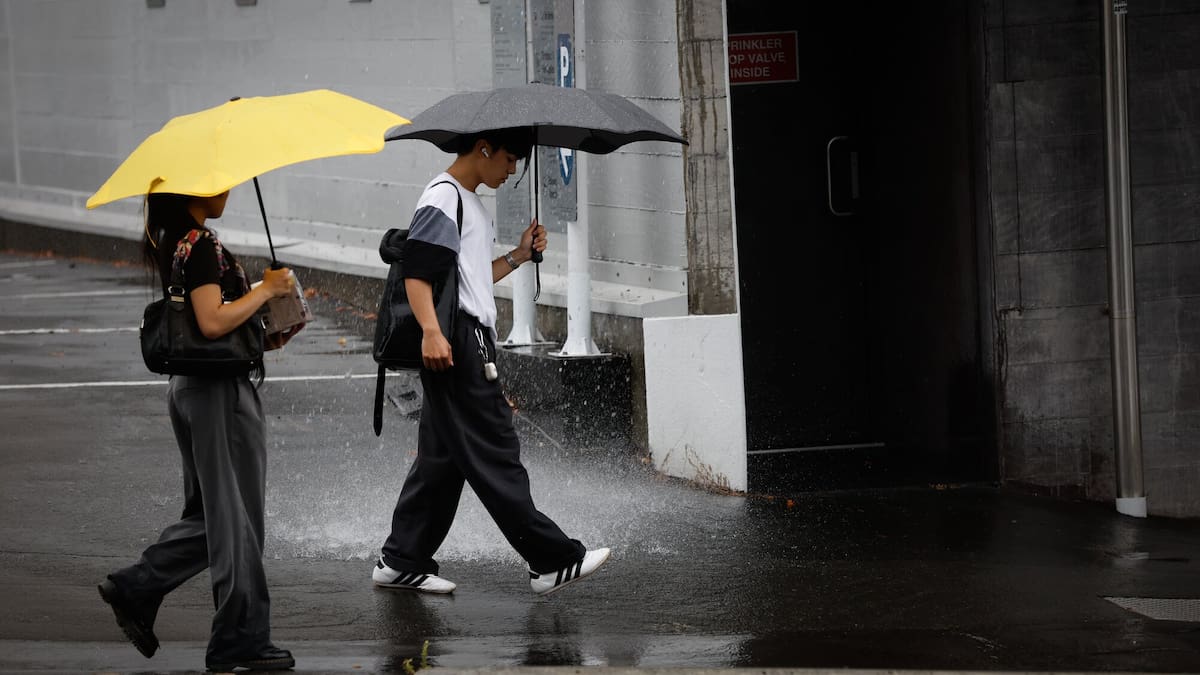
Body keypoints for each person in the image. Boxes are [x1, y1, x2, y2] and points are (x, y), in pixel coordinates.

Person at [374, 129, 610, 596]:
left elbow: (472, 279)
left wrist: (519, 256)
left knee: (442, 462)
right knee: (495, 449)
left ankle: (401, 560)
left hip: (464, 337)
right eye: (509, 159)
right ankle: (552, 560)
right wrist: (432, 332)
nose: (511, 170)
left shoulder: (466, 202)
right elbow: (417, 274)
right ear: (484, 147)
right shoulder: (444, 197)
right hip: (458, 341)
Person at [98, 191, 299, 671]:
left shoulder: (179, 242)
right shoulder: (200, 244)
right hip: (217, 393)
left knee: (215, 516)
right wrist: (266, 291)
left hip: (196, 387)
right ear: (195, 189)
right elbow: (210, 322)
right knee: (237, 522)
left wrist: (268, 328)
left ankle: (138, 585)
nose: (226, 190)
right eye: (219, 184)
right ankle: (239, 639)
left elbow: (209, 321)